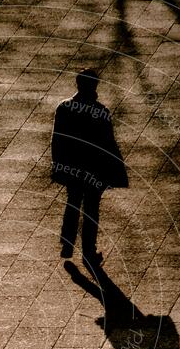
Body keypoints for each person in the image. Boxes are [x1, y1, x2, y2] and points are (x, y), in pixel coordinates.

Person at [51, 69, 127, 268]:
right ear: (94, 86)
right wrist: (116, 170)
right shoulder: (100, 111)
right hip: (94, 168)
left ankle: (67, 243)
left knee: (73, 202)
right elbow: (108, 144)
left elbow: (57, 139)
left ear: (78, 85)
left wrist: (58, 164)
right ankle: (88, 250)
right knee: (91, 208)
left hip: (72, 166)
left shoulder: (64, 108)